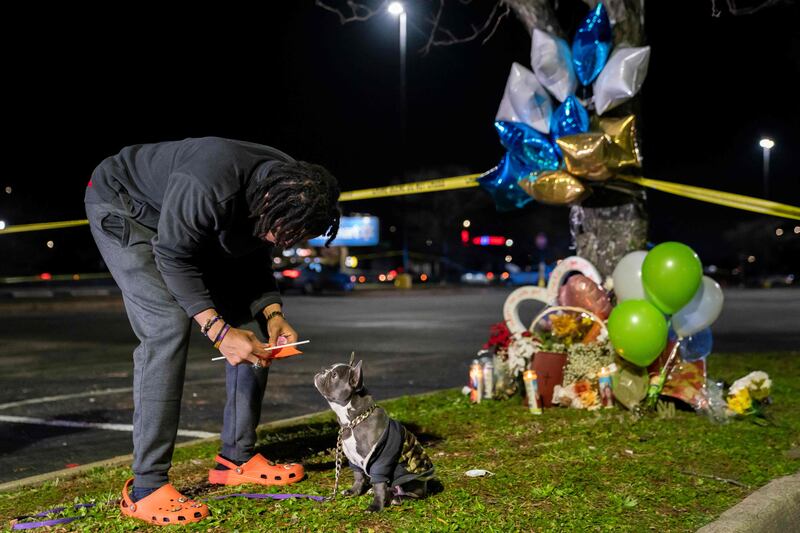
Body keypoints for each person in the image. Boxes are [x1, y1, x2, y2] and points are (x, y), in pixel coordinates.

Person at [84, 137, 340, 525]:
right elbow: (172, 255)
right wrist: (218, 332)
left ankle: (235, 458)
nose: (278, 242)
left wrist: (271, 312)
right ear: (267, 204)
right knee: (167, 326)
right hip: (126, 205)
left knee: (248, 327)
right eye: (279, 235)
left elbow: (253, 255)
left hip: (184, 219)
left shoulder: (289, 185)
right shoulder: (208, 183)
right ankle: (146, 488)